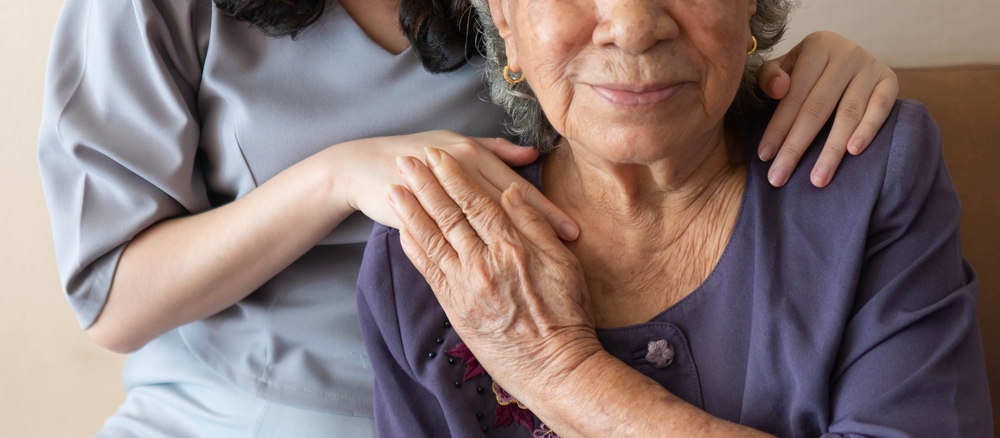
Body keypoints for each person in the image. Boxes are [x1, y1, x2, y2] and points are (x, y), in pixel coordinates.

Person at [38, 0, 898, 436]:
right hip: (242, 416)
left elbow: (634, 79)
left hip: (479, 399)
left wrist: (808, 61)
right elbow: (112, 298)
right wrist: (339, 179)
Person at [360, 0, 993, 436]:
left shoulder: (865, 173)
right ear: (505, 14)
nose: (634, 27)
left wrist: (559, 371)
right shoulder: (426, 256)